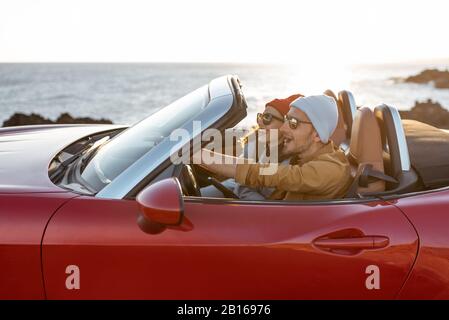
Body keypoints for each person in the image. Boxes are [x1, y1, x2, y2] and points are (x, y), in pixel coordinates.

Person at [196, 95, 352, 201]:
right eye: (285, 120)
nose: (283, 129)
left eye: (293, 124)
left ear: (317, 135)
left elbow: (263, 173)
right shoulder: (303, 156)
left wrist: (196, 154)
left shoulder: (329, 169)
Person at [200, 94, 302, 200]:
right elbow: (240, 180)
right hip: (237, 187)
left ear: (285, 125)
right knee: (195, 196)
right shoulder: (255, 143)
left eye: (268, 118)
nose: (260, 122)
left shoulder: (293, 161)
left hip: (258, 203)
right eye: (261, 116)